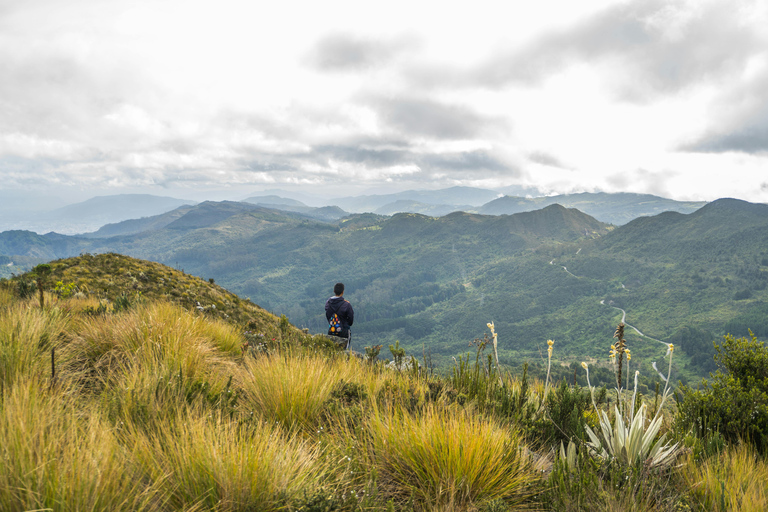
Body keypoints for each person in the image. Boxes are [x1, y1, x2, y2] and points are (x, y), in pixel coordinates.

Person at [325, 282, 354, 350]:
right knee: (344, 351)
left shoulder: (328, 303)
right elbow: (351, 320)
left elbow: (327, 314)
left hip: (332, 330)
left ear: (334, 291)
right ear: (342, 292)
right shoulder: (346, 304)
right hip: (344, 330)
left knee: (332, 350)